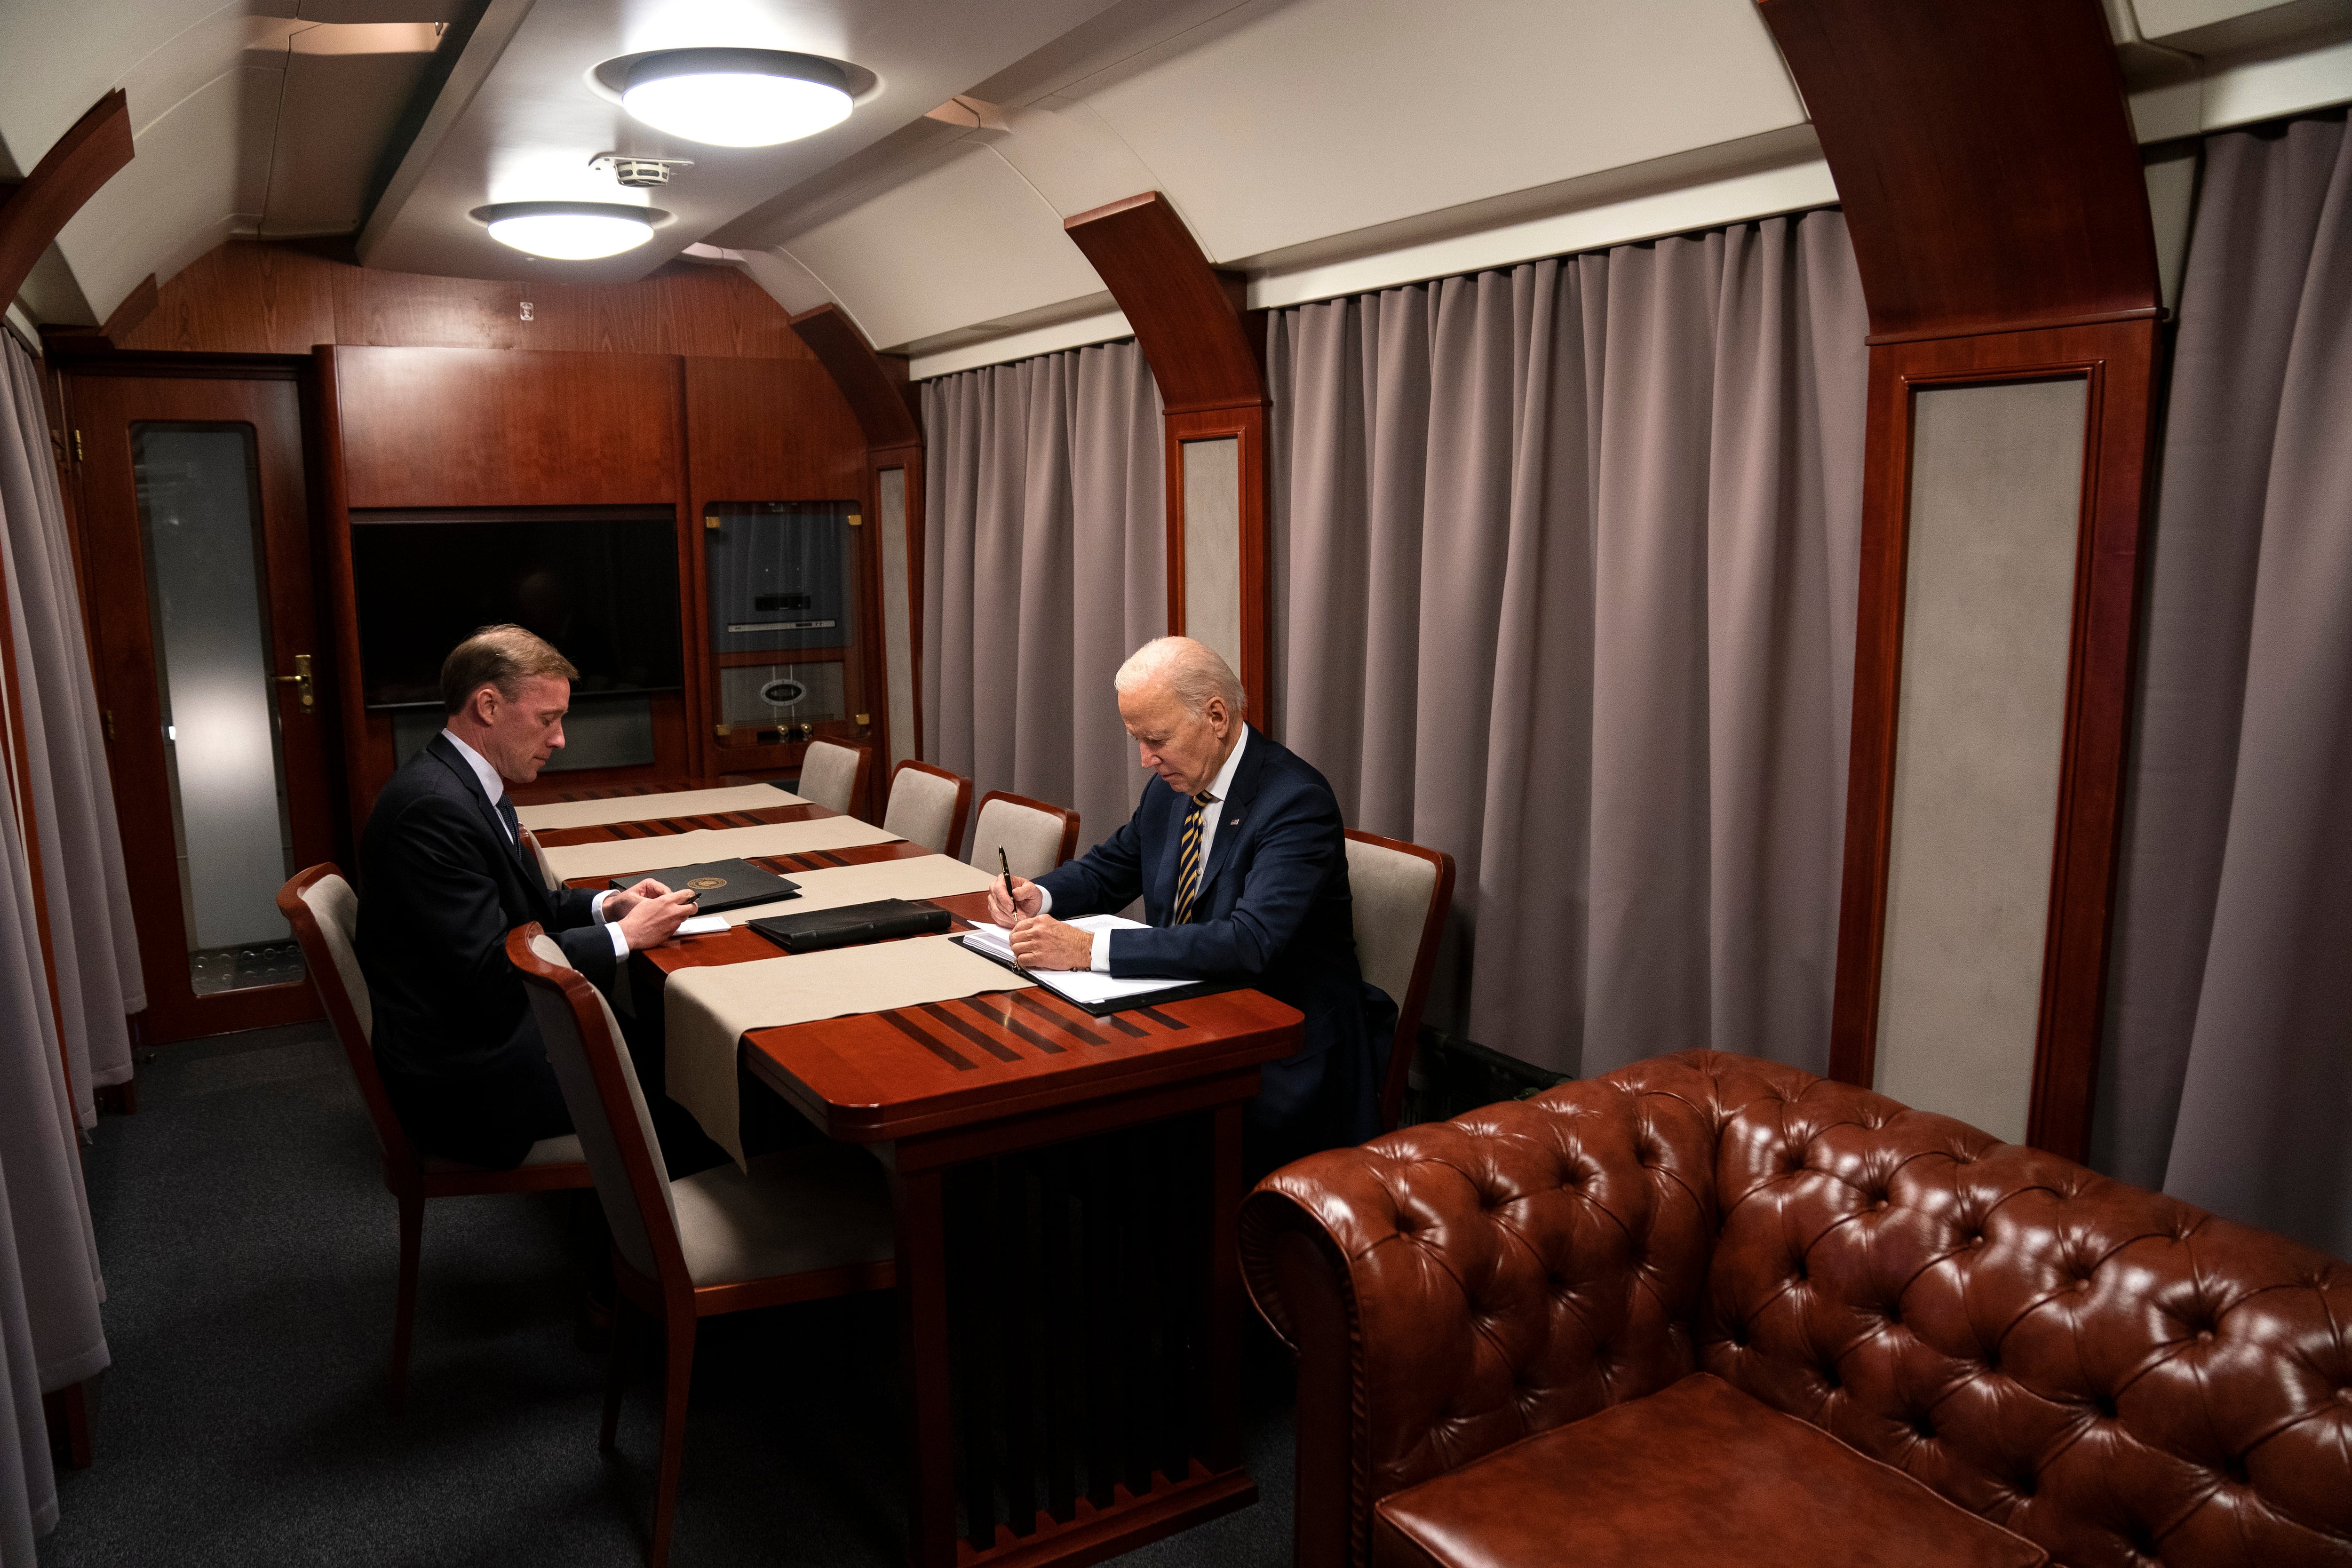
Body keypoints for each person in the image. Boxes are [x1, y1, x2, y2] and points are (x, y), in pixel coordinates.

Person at [988, 637, 1394, 1170]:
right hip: (1185, 1021)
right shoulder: (1171, 787)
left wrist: (1087, 949)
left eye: (1155, 739)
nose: (1144, 759)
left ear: (1217, 717)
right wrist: (1038, 895)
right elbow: (1113, 866)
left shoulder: (1294, 801)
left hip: (1281, 1051)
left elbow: (1247, 941)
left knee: (1106, 1133)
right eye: (1136, 739)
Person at [356, 624, 699, 1169]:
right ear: (488, 705)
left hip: (478, 1031)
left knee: (673, 1046)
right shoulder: (432, 809)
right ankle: (674, 1239)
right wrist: (623, 937)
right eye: (548, 719)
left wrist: (607, 906)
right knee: (692, 1080)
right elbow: (491, 970)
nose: (559, 739)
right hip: (467, 1077)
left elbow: (525, 911)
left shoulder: (462, 784)